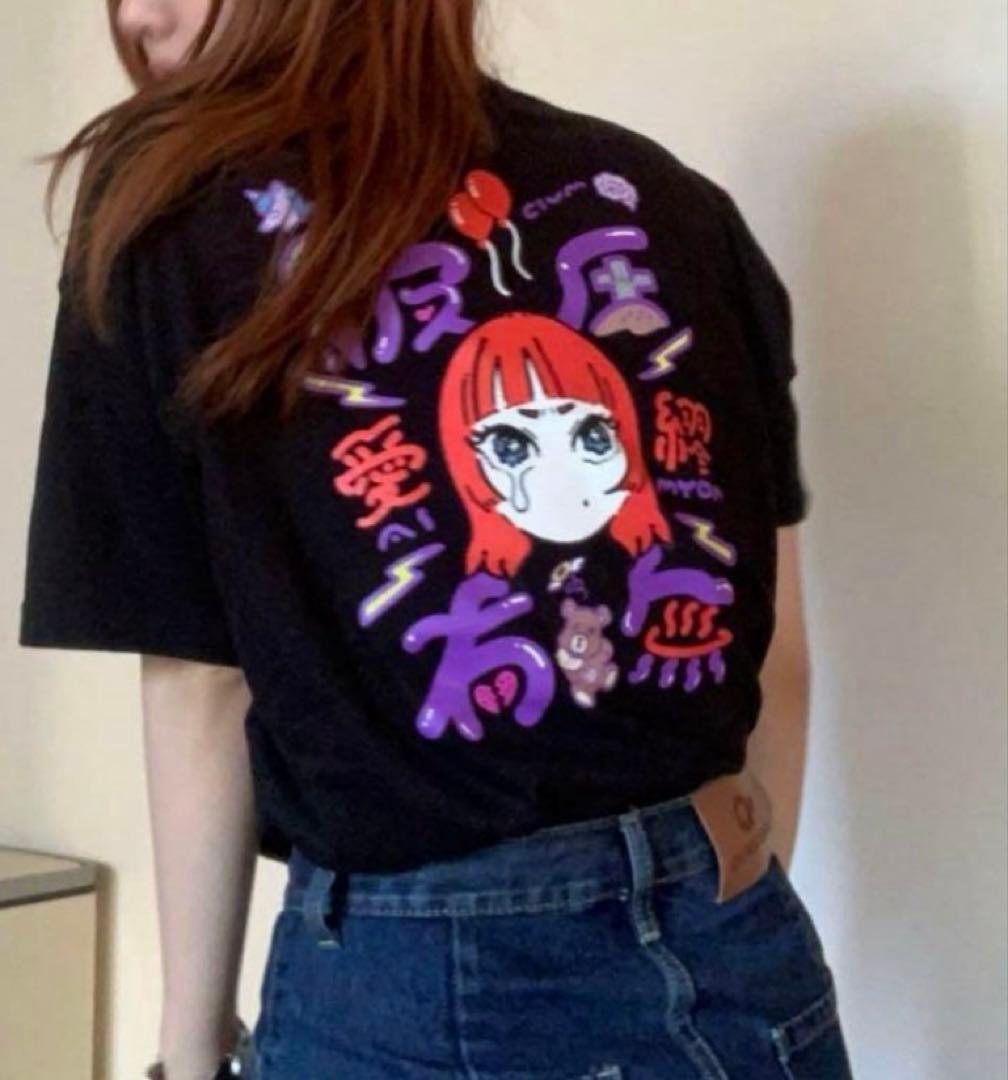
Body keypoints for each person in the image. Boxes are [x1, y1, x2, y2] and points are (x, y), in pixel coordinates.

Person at [16, 1, 856, 1078]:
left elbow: (202, 683)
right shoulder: (672, 201)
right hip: (741, 956)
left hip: (416, 995)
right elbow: (776, 654)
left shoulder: (165, 212)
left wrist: (189, 1053)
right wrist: (726, 887)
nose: (140, 13)